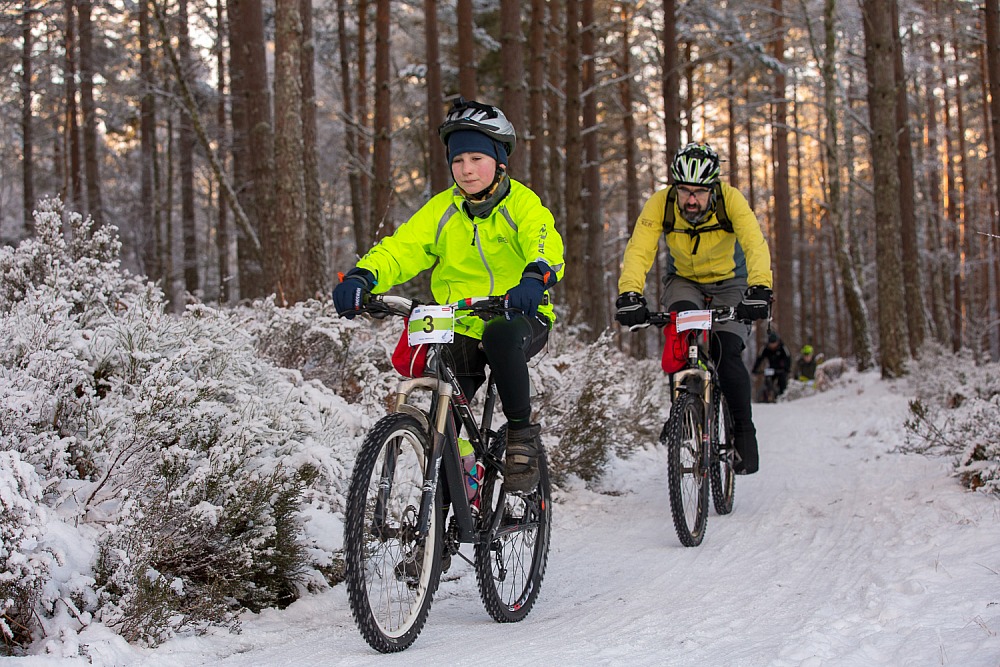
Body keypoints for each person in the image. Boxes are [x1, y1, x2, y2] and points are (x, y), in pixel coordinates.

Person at [333, 98, 565, 495]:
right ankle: (445, 513)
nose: (467, 169)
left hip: (520, 314)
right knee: (441, 412)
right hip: (458, 320)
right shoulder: (443, 209)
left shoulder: (523, 205)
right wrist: (363, 276)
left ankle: (521, 437)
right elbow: (402, 248)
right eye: (458, 161)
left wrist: (533, 279)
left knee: (499, 337)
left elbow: (545, 244)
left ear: (499, 161)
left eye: (477, 157)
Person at [615, 142, 773, 475]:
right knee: (681, 338)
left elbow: (755, 243)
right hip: (684, 280)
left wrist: (759, 288)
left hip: (731, 282)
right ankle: (683, 413)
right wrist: (630, 292)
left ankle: (743, 430)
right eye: (684, 190)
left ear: (713, 188)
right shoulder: (662, 203)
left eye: (699, 192)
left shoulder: (730, 201)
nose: (690, 200)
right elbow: (639, 249)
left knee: (725, 348)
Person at [752, 332, 792, 396]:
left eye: (774, 343)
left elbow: (788, 358)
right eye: (771, 344)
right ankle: (766, 395)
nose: (773, 345)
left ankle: (782, 395)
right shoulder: (765, 348)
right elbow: (759, 358)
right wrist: (755, 369)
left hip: (781, 369)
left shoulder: (782, 347)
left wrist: (787, 368)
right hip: (771, 368)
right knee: (767, 380)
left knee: (782, 381)